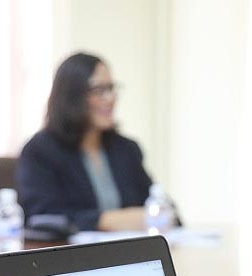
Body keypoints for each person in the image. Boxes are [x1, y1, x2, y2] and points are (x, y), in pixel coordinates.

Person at [16, 52, 178, 232]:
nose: (110, 98)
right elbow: (42, 217)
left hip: (128, 249)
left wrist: (156, 215)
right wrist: (109, 220)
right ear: (71, 96)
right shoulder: (40, 151)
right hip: (73, 250)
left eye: (111, 88)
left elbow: (167, 210)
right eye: (99, 90)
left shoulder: (126, 149)